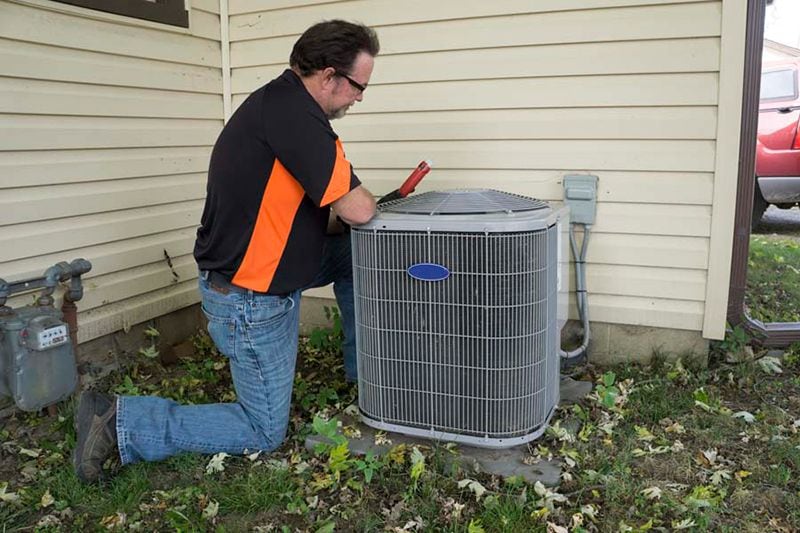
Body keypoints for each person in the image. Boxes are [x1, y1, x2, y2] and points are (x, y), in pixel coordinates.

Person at [73, 20, 380, 483]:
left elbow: (308, 210)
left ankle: (369, 377)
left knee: (358, 258)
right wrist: (372, 206)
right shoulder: (298, 118)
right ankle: (120, 421)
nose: (359, 97)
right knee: (262, 430)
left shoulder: (277, 103)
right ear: (330, 76)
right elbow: (358, 210)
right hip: (250, 293)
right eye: (358, 87)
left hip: (267, 264)